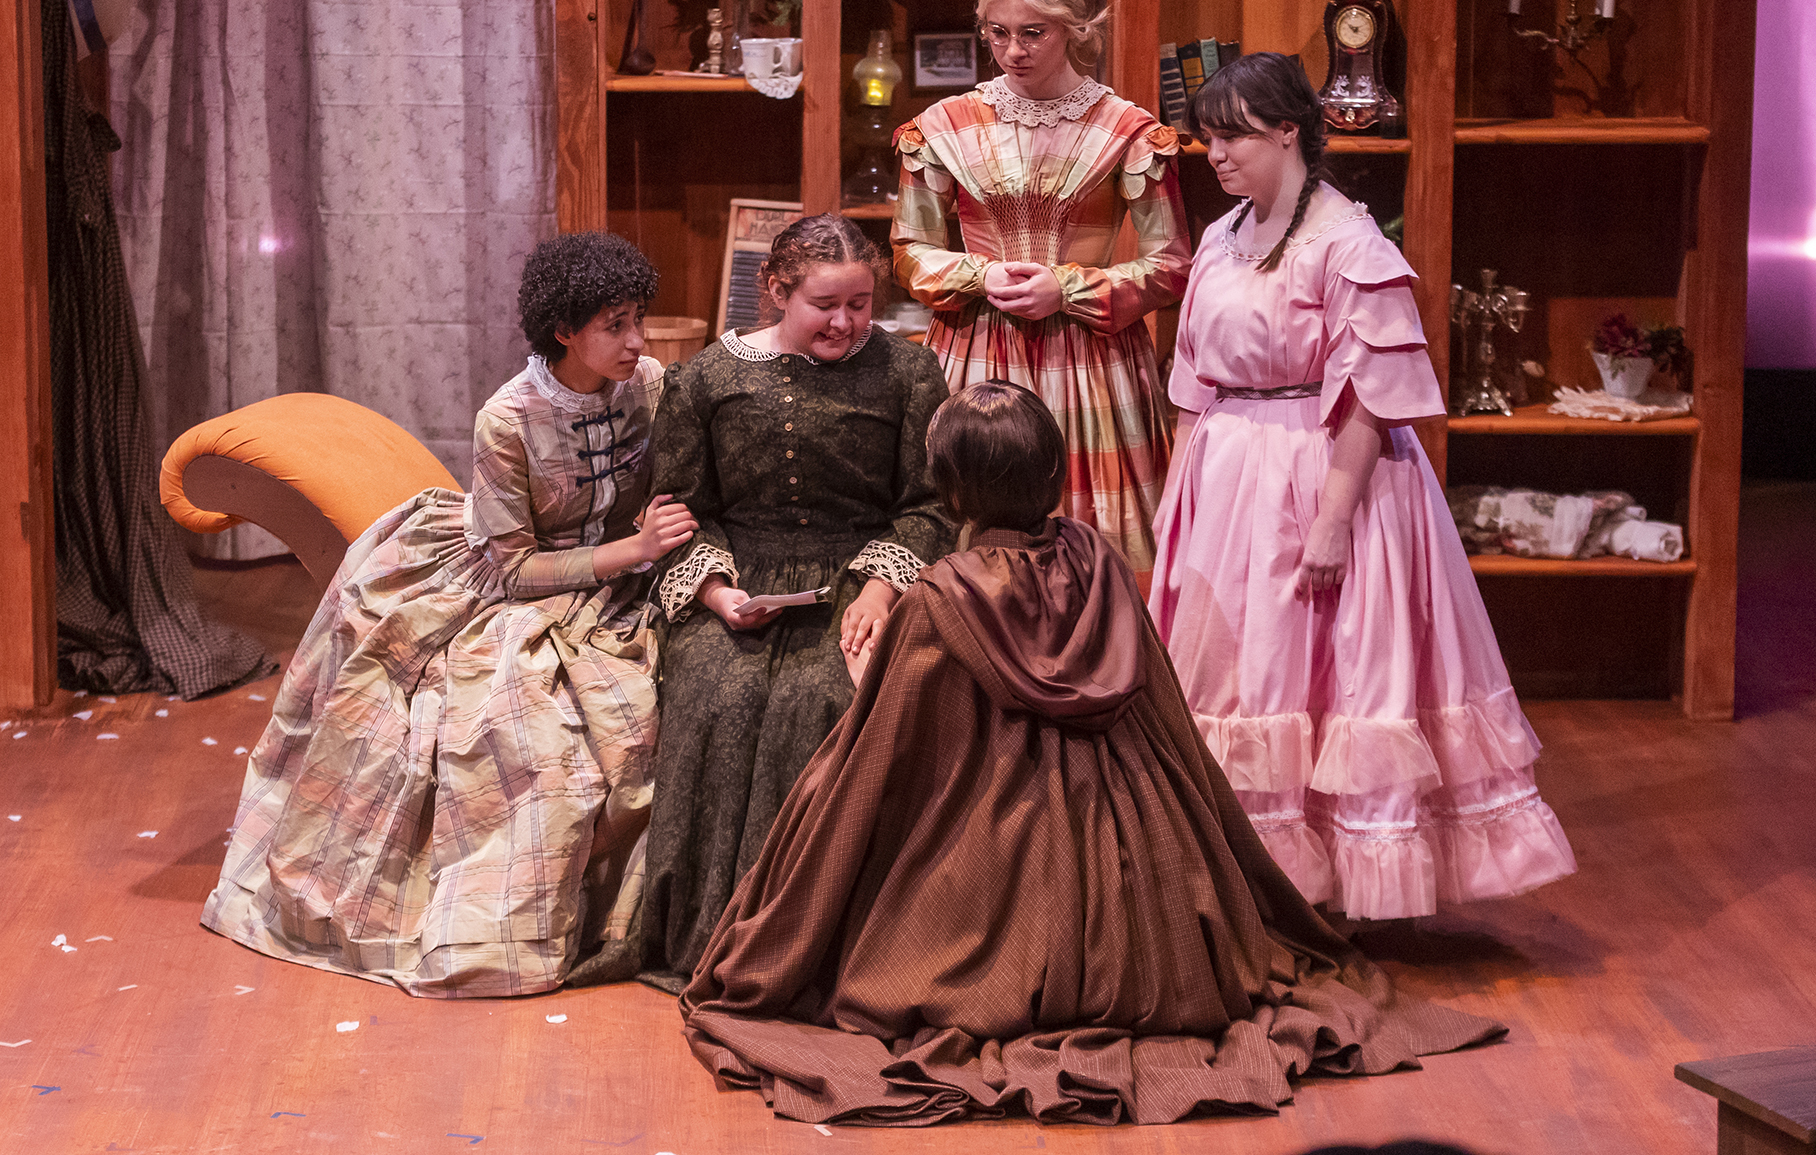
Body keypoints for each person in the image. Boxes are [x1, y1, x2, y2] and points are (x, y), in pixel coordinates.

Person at [680, 381, 1506, 1127]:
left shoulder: (941, 595)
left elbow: (884, 756)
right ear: (1053, 477)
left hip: (987, 862)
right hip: (1136, 870)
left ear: (954, 489)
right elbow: (1165, 716)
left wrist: (868, 684)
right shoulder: (1101, 561)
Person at [202, 231, 697, 996]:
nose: (636, 342)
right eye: (614, 325)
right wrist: (629, 552)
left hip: (627, 570)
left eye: (639, 319)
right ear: (564, 330)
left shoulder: (650, 384)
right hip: (519, 581)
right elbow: (516, 567)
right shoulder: (507, 418)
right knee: (512, 724)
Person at [1147, 52, 1578, 921]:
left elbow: (1374, 400)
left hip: (1323, 473)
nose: (1216, 154)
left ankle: (1327, 884)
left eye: (1231, 136)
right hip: (1229, 482)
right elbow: (1193, 380)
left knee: (1325, 675)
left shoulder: (1348, 243)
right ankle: (1244, 882)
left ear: (1288, 131)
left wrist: (1334, 521)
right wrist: (1174, 496)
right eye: (1207, 138)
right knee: (1237, 673)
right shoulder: (1225, 238)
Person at [569, 213, 954, 994]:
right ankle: (710, 933)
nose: (845, 321)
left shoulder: (910, 374)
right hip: (735, 582)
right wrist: (715, 593)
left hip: (861, 577)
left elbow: (930, 507)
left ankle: (813, 944)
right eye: (824, 304)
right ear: (777, 291)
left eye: (859, 303)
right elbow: (681, 509)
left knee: (821, 697)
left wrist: (880, 589)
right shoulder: (706, 377)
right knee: (721, 690)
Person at [891, 0, 1190, 589]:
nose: (1014, 50)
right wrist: (979, 274)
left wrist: (1070, 287)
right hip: (977, 356)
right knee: (961, 541)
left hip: (1089, 362)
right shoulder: (946, 124)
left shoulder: (1125, 129)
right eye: (998, 33)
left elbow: (1171, 264)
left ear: (1073, 29)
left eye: (1034, 32)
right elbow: (910, 251)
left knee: (1090, 549)